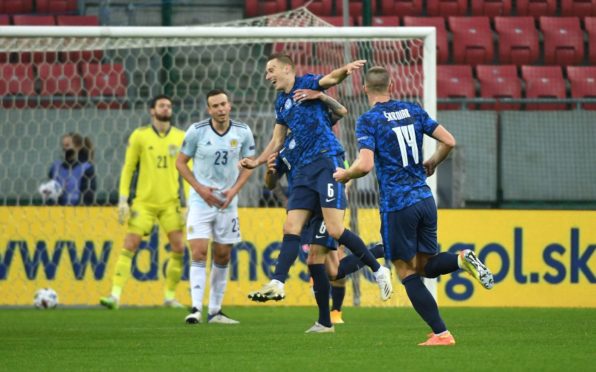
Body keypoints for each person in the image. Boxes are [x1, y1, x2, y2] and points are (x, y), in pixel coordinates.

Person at [333, 66, 495, 346]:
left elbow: (366, 164)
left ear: (364, 89)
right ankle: (460, 258)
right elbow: (449, 141)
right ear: (392, 85)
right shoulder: (413, 110)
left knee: (407, 272)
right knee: (426, 265)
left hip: (398, 205)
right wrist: (432, 162)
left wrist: (345, 175)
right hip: (424, 198)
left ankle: (442, 333)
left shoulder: (369, 120)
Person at [241, 54, 393, 333]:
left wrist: (345, 70)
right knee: (292, 229)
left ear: (288, 69)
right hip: (302, 174)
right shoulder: (281, 107)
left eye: (271, 70)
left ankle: (378, 269)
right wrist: (258, 162)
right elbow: (276, 141)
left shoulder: (307, 83)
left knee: (335, 232)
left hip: (326, 162)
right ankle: (279, 283)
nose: (267, 76)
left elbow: (330, 79)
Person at [176, 89, 255, 325]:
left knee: (222, 255)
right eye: (215, 106)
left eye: (223, 104)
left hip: (227, 202)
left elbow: (249, 165)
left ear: (229, 105)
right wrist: (199, 188)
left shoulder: (243, 132)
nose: (220, 109)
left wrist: (234, 190)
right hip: (201, 201)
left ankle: (215, 311)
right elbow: (180, 163)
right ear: (208, 109)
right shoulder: (196, 132)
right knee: (199, 252)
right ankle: (195, 309)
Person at [100, 94, 187, 310]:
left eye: (169, 105)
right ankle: (115, 295)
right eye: (162, 105)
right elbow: (128, 168)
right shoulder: (140, 136)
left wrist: (190, 204)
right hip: (143, 203)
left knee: (178, 247)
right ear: (152, 110)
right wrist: (123, 200)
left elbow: (188, 172)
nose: (166, 108)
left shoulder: (181, 137)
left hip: (170, 203)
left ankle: (169, 296)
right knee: (130, 244)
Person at [41, 132, 96, 205]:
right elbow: (50, 196)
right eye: (62, 146)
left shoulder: (86, 168)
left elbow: (88, 196)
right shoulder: (56, 167)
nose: (64, 149)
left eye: (67, 145)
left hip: (78, 212)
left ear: (78, 147)